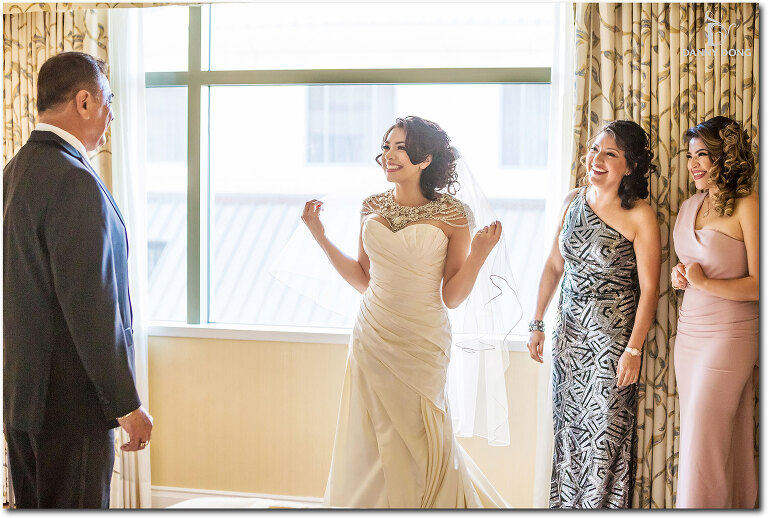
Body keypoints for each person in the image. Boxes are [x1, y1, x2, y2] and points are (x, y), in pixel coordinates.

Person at [301, 116, 508, 508]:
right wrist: (319, 235)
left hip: (423, 340)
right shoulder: (371, 206)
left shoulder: (453, 213)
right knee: (370, 439)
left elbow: (452, 296)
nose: (388, 155)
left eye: (400, 147)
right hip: (371, 334)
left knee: (422, 438)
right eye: (386, 146)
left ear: (424, 159)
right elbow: (363, 278)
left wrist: (478, 256)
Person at [3, 51, 153, 509]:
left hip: (23, 398)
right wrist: (126, 404)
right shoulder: (73, 181)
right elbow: (92, 306)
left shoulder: (14, 172)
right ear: (84, 102)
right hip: (70, 405)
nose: (111, 115)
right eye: (108, 101)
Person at [526, 120, 661, 508]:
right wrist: (537, 322)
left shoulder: (640, 215)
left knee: (602, 439)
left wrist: (633, 351)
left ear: (630, 166)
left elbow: (650, 289)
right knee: (568, 432)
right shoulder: (572, 200)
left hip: (611, 345)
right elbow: (554, 266)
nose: (596, 159)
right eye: (594, 150)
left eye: (610, 154)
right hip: (569, 337)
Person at [671, 116, 758, 508]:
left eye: (703, 154)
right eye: (690, 156)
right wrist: (681, 277)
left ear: (726, 156)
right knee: (702, 437)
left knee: (703, 437)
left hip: (731, 335)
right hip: (689, 333)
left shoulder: (748, 206)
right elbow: (691, 265)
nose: (694, 165)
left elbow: (761, 284)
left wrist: (704, 283)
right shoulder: (690, 205)